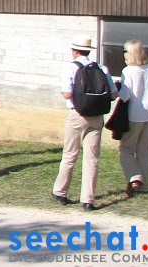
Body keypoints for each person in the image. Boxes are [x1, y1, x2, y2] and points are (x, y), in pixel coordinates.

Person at [52, 35, 117, 211]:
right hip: (96, 116)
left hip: (77, 114)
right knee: (92, 158)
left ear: (74, 51)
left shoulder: (70, 68)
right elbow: (113, 94)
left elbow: (66, 93)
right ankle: (88, 199)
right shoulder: (101, 68)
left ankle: (60, 191)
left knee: (70, 153)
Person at [117, 39, 148, 194]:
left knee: (126, 149)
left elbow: (125, 95)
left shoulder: (128, 71)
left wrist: (118, 86)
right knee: (145, 150)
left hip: (134, 115)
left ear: (129, 54)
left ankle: (135, 178)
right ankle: (144, 186)